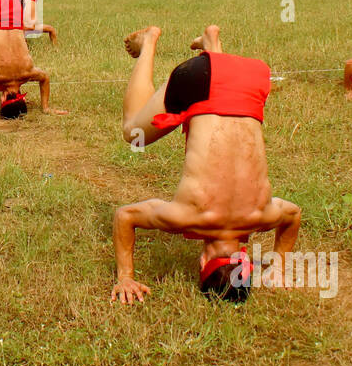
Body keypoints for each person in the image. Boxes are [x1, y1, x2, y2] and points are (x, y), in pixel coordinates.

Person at [112, 24, 301, 304]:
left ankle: (212, 42)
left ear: (244, 257)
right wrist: (125, 276)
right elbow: (124, 216)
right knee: (133, 134)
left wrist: (279, 266)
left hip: (252, 79)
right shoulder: (186, 217)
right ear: (203, 263)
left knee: (220, 101)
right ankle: (149, 42)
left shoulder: (264, 216)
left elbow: (294, 214)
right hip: (198, 80)